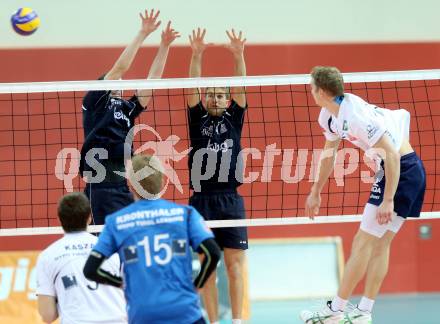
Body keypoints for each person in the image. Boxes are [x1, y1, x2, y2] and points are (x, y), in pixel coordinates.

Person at [300, 66, 426, 323]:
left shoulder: (356, 116)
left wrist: (389, 199)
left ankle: (335, 311)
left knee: (363, 242)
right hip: (398, 170)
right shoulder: (329, 116)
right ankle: (363, 312)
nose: (310, 91)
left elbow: (391, 154)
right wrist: (316, 191)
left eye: (312, 87)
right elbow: (329, 154)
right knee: (379, 244)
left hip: (403, 169)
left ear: (322, 91)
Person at [83, 154, 221, 324]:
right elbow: (213, 253)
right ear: (162, 181)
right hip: (185, 313)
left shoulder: (116, 222)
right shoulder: (186, 214)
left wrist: (122, 284)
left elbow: (90, 269)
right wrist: (197, 285)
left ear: (131, 186)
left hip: (144, 315)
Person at [80, 9, 180, 225]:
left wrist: (164, 47)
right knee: (104, 240)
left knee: (127, 238)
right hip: (99, 182)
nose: (120, 81)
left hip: (122, 182)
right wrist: (143, 34)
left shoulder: (126, 108)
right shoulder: (95, 101)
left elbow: (152, 82)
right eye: (115, 80)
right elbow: (120, 67)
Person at [186, 28, 248, 324]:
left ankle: (236, 321)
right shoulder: (196, 119)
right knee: (206, 266)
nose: (215, 98)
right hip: (201, 201)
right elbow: (191, 87)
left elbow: (241, 86)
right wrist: (197, 54)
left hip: (230, 199)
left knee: (235, 265)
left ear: (227, 100)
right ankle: (212, 321)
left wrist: (239, 55)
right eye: (210, 94)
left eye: (221, 95)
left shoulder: (234, 118)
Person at [36, 192, 127, 324]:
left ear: (59, 219)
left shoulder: (47, 256)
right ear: (89, 218)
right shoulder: (112, 249)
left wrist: (65, 297)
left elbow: (47, 316)